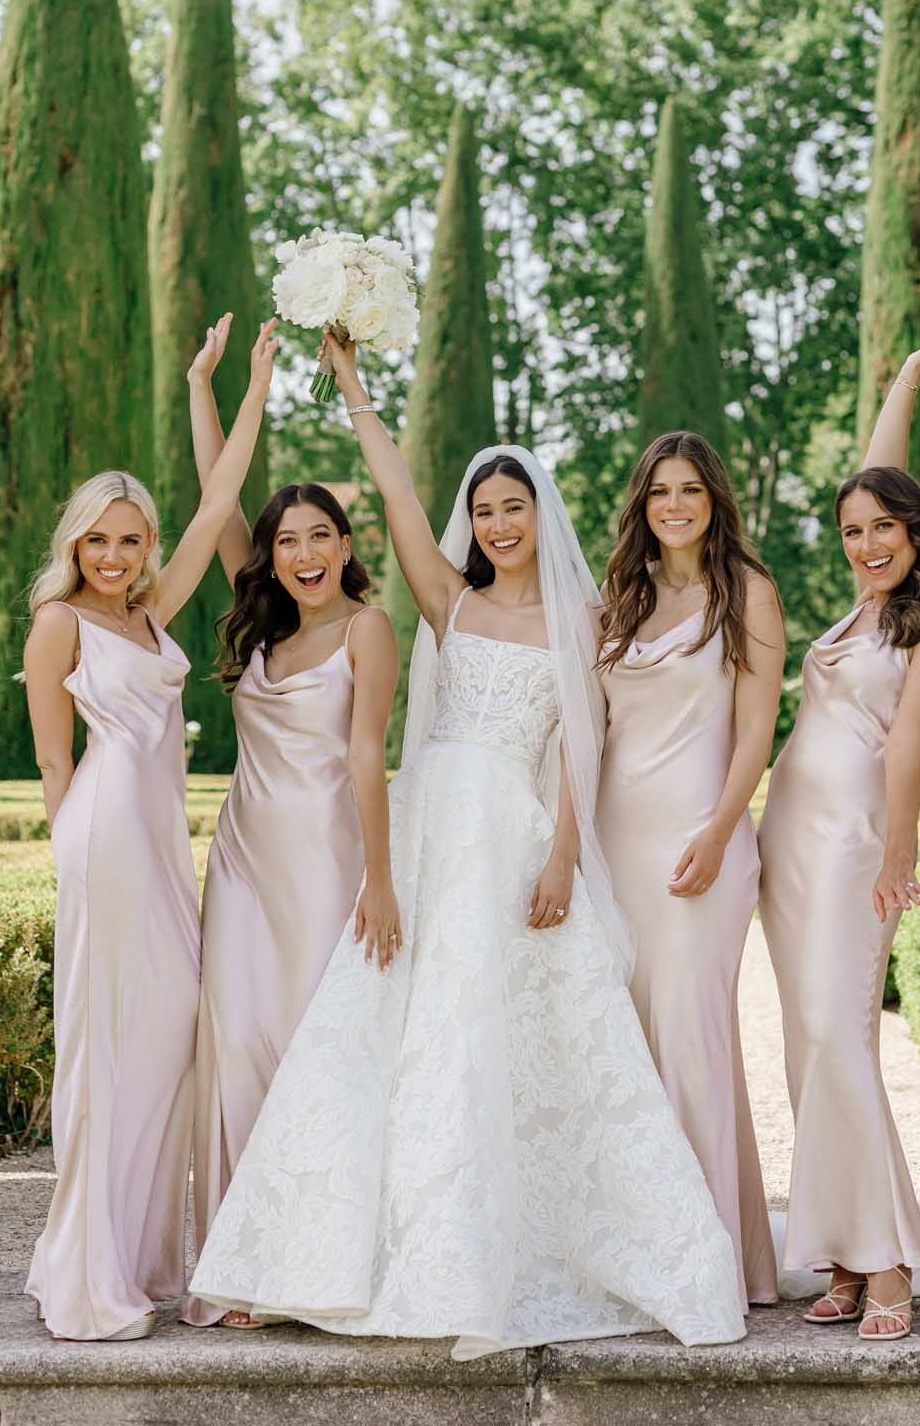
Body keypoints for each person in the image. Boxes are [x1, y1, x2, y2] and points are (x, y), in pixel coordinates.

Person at [189, 331, 746, 1358]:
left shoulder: (586, 613)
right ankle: (327, 1257)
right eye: (484, 509)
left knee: (494, 1037)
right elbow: (398, 500)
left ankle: (494, 1250)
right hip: (429, 814)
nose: (496, 524)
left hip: (513, 834)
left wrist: (563, 854)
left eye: (512, 507)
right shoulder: (450, 597)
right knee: (381, 1027)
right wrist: (356, 388)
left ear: (541, 515)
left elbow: (586, 743)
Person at [23, 318, 279, 1341]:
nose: (119, 554)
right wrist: (72, 864)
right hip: (104, 839)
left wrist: (227, 381)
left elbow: (222, 498)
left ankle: (139, 1254)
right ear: (76, 544)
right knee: (107, 1047)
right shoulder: (59, 622)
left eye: (132, 538)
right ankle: (90, 1272)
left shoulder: (155, 613)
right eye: (101, 539)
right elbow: (53, 762)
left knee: (167, 1036)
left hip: (162, 845)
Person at [758, 332, 920, 1341]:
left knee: (842, 1039)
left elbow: (905, 752)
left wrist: (901, 852)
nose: (866, 542)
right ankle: (842, 1248)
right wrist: (905, 377)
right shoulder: (860, 609)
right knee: (807, 1050)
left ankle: (888, 1255)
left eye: (884, 526)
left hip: (855, 844)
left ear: (914, 530)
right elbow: (871, 467)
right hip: (787, 842)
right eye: (853, 528)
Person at [181, 315, 399, 1327]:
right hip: (240, 864)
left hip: (326, 867)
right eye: (286, 537)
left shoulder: (368, 626)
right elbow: (215, 493)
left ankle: (315, 1258)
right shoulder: (257, 612)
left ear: (347, 544)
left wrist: (382, 882)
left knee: (320, 1053)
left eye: (320, 534)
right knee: (239, 1046)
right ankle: (243, 1256)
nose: (302, 550)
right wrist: (223, 386)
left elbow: (366, 758)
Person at [596, 430, 783, 1307]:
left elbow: (755, 730)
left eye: (691, 491)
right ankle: (639, 1255)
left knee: (691, 1032)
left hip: (701, 840)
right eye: (659, 491)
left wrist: (716, 831)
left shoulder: (747, 592)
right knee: (626, 1041)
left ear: (714, 502)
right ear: (641, 504)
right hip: (615, 843)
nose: (674, 505)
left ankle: (709, 1266)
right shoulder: (615, 602)